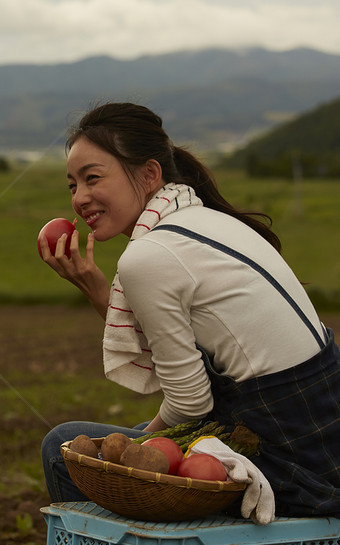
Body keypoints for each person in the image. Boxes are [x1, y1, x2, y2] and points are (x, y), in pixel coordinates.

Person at [38, 102, 340, 518]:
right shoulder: (206, 219)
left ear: (148, 174)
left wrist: (142, 442)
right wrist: (95, 288)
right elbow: (185, 360)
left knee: (62, 447)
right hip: (322, 435)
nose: (80, 198)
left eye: (92, 178)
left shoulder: (149, 254)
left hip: (292, 458)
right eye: (72, 185)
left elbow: (191, 403)